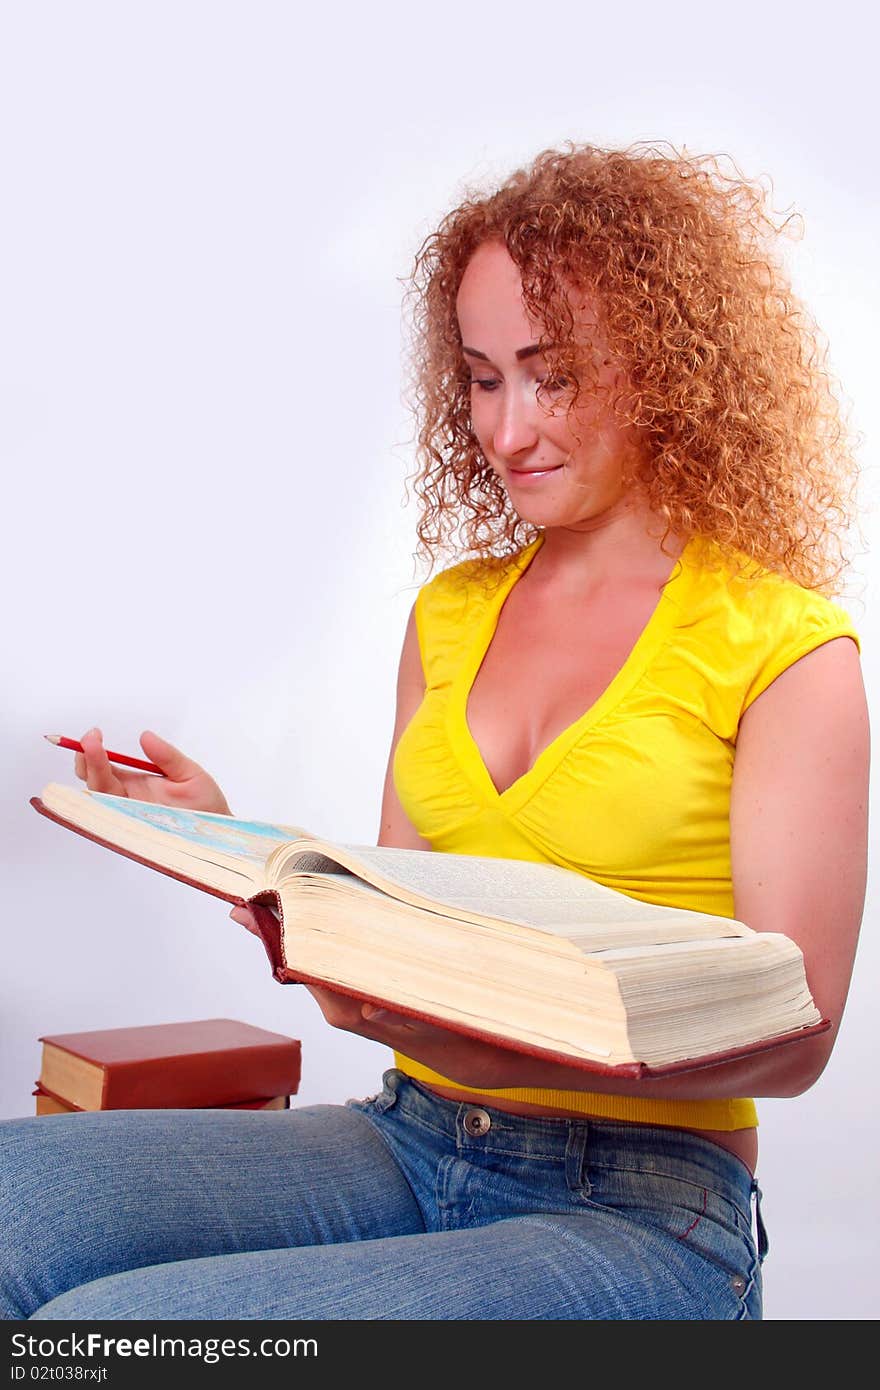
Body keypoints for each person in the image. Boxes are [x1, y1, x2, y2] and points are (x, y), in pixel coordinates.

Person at [1, 142, 869, 1321]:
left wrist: (525, 1041)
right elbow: (387, 941)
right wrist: (241, 855)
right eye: (481, 378)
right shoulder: (449, 616)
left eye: (551, 377)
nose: (507, 432)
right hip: (409, 1133)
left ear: (663, 367)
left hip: (644, 1203)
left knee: (107, 1337)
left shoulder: (786, 651)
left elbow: (796, 1040)